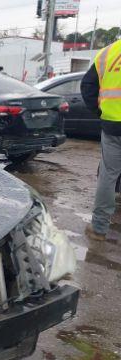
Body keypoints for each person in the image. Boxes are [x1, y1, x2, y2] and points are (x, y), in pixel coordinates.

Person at [81, 38, 121, 241]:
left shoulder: (107, 54)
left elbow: (87, 87)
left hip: (114, 125)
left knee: (108, 175)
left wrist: (100, 111)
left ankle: (99, 228)